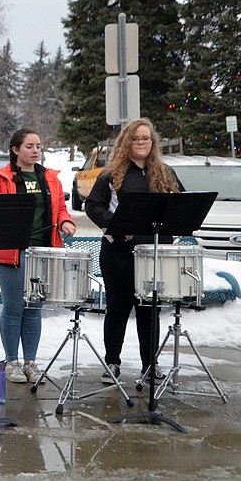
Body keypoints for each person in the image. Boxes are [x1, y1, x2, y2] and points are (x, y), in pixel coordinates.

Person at [84, 117, 183, 385]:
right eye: (136, 139)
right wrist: (116, 226)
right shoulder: (110, 174)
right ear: (126, 142)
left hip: (153, 254)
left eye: (146, 139)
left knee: (149, 309)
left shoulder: (165, 173)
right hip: (119, 252)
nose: (141, 143)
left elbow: (180, 205)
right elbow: (93, 207)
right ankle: (112, 363)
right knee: (118, 307)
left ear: (153, 143)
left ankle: (150, 365)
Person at [0, 128, 76, 386]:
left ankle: (30, 363)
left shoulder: (50, 178)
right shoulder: (0, 179)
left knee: (34, 310)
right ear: (15, 150)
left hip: (43, 251)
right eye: (29, 146)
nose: (36, 151)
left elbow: (59, 209)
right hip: (13, 252)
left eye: (38, 146)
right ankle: (11, 361)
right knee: (14, 308)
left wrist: (65, 221)